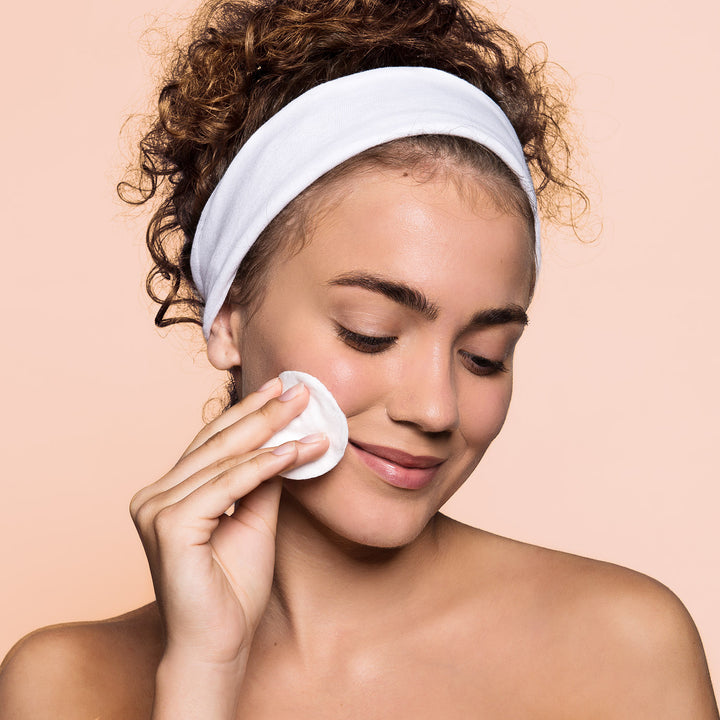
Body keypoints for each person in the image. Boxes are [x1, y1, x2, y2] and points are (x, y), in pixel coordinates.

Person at [0, 0, 717, 717]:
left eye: (484, 356)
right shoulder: (66, 687)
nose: (435, 408)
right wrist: (202, 675)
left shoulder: (621, 648)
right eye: (370, 333)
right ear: (227, 318)